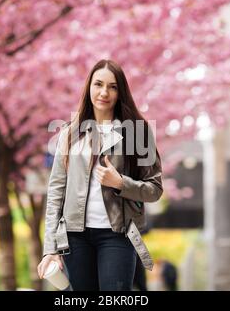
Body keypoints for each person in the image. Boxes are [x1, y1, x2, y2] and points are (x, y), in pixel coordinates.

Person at [37, 59, 163, 291]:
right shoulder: (69, 134)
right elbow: (56, 193)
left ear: (120, 91)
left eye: (113, 86)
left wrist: (121, 183)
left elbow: (155, 189)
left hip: (118, 235)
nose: (104, 92)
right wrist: (50, 249)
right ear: (89, 87)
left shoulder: (138, 133)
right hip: (76, 237)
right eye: (98, 84)